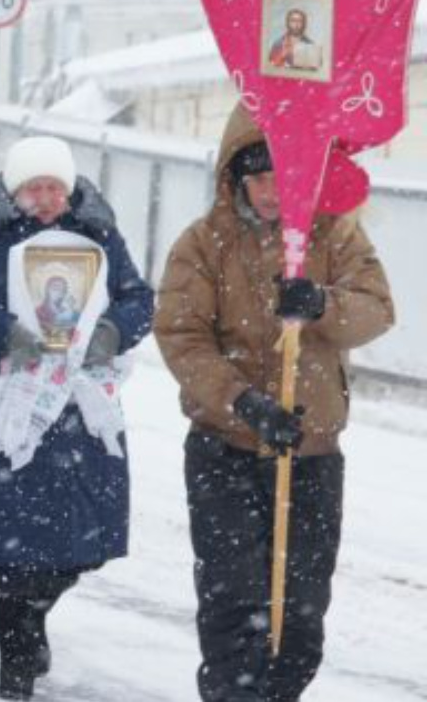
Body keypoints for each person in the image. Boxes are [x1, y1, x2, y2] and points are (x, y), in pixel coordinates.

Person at [154, 110, 393, 702]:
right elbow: (182, 334)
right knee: (236, 602)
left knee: (300, 612)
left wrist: (321, 304)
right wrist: (241, 402)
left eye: (283, 177)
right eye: (258, 179)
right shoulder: (204, 244)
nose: (270, 193)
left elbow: (376, 307)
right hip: (225, 450)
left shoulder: (334, 234)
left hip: (310, 457)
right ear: (234, 179)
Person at [0, 135, 154, 701]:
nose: (47, 197)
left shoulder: (97, 234)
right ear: (15, 189)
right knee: (10, 543)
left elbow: (137, 298)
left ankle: (32, 615)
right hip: (2, 406)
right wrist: (5, 332)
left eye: (56, 186)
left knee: (84, 541)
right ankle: (17, 660)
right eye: (35, 187)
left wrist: (110, 332)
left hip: (77, 410)